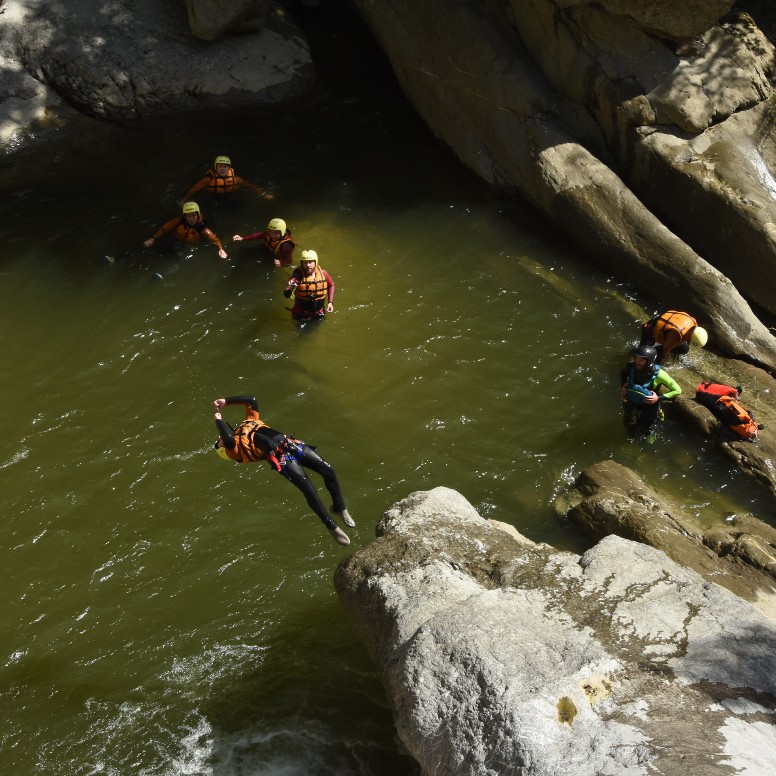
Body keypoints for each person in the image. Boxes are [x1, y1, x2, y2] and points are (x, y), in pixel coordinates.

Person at [212, 395, 355, 546]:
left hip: (290, 444)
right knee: (309, 490)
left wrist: (226, 401)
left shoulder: (248, 422)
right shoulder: (235, 452)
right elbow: (228, 439)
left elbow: (251, 400)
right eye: (219, 442)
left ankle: (339, 507)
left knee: (328, 470)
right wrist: (218, 421)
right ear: (223, 449)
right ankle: (332, 527)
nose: (220, 438)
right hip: (281, 459)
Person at [620, 344, 682, 441]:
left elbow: (677, 390)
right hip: (632, 401)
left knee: (647, 430)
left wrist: (658, 398)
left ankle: (647, 449)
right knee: (628, 424)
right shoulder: (630, 367)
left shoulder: (659, 374)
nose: (637, 361)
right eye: (637, 357)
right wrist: (623, 386)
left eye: (642, 359)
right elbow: (623, 373)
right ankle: (630, 441)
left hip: (650, 407)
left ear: (649, 361)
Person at [143, 202, 227, 259]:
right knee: (148, 246)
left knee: (177, 256)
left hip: (187, 246)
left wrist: (221, 249)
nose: (191, 219)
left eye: (193, 216)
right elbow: (164, 228)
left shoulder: (202, 229)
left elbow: (215, 239)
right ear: (184, 216)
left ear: (198, 215)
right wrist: (153, 238)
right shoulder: (179, 220)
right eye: (188, 216)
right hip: (174, 239)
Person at [179, 155, 273, 204]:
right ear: (215, 167)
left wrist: (263, 194)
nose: (223, 169)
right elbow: (194, 189)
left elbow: (250, 185)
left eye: (225, 167)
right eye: (220, 166)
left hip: (230, 195)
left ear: (229, 168)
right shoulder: (208, 180)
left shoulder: (236, 179)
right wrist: (184, 199)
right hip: (213, 197)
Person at [283, 250, 335, 320]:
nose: (307, 265)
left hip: (319, 312)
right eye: (305, 263)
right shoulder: (297, 275)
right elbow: (287, 293)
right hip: (301, 314)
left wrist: (330, 303)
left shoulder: (323, 273)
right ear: (302, 263)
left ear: (315, 262)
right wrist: (289, 290)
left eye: (310, 262)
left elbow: (331, 285)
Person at [639, 310, 708, 362]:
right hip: (649, 330)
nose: (687, 342)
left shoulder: (693, 324)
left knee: (684, 348)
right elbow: (661, 355)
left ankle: (657, 348)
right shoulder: (674, 336)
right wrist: (656, 366)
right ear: (690, 337)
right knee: (644, 355)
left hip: (665, 326)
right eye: (689, 341)